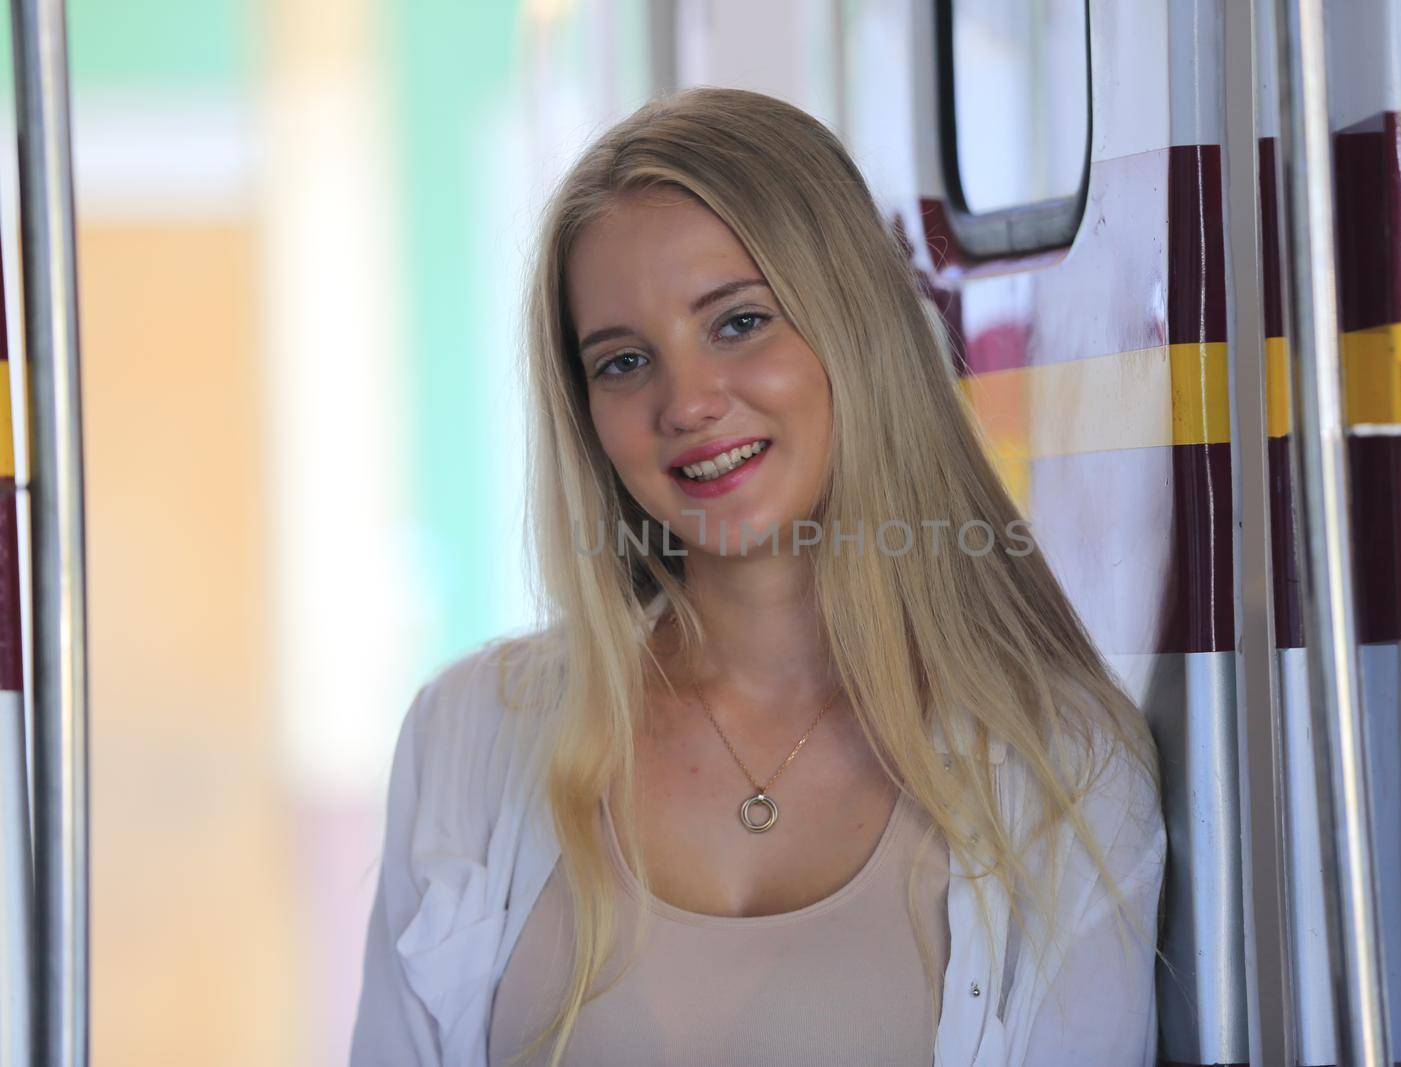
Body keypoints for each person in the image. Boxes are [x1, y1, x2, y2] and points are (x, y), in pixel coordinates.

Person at [350, 86, 1165, 1067]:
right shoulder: (467, 733)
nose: (685, 401)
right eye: (622, 362)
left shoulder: (1064, 766)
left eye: (737, 323)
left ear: (853, 327)